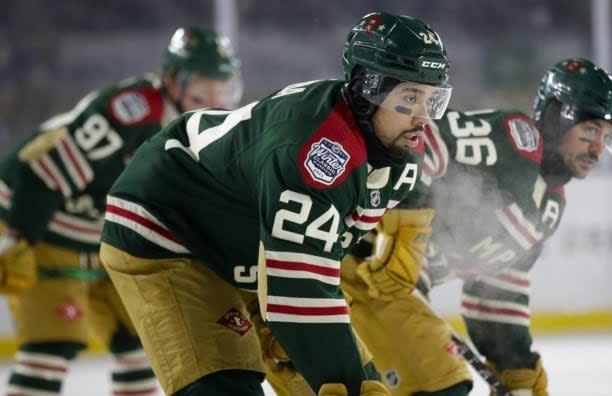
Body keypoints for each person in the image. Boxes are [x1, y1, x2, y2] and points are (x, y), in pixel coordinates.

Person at [98, 11, 452, 396]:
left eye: (433, 100)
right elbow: (298, 290)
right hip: (168, 227)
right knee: (230, 384)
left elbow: (319, 258)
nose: (423, 118)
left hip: (248, 242)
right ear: (368, 88)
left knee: (322, 368)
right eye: (410, 97)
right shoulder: (317, 152)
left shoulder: (397, 149)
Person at [340, 58, 612, 396]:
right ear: (554, 116)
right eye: (590, 131)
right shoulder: (514, 144)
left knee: (438, 382)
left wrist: (516, 369)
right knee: (441, 382)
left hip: (386, 294)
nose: (597, 149)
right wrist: (397, 243)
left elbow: (497, 290)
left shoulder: (550, 206)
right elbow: (421, 141)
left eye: (608, 138)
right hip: (353, 267)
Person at [0, 26, 241, 395]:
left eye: (222, 87)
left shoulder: (201, 132)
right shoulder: (130, 113)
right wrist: (19, 239)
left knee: (142, 338)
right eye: (204, 85)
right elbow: (41, 177)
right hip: (37, 218)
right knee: (52, 343)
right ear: (173, 80)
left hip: (100, 235)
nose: (214, 98)